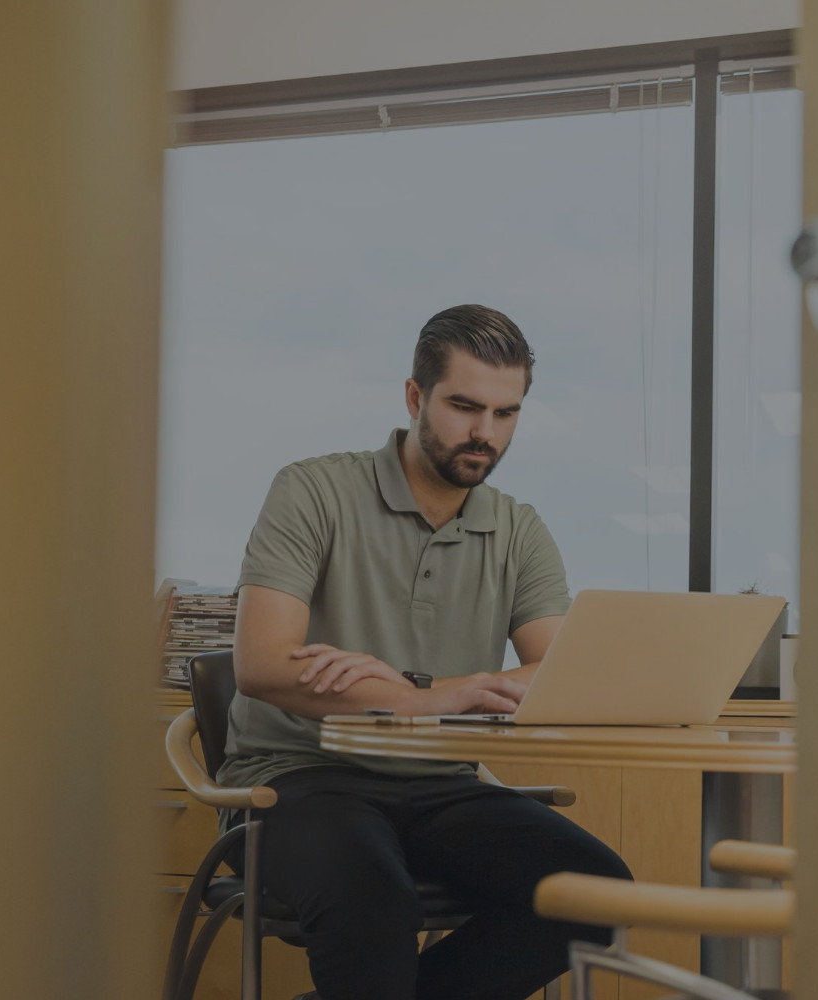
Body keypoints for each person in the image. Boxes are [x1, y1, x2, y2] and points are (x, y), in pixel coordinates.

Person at [223, 304, 632, 1000]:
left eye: (507, 413)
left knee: (594, 893)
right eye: (465, 407)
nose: (485, 433)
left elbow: (555, 675)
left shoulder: (518, 528)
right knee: (374, 901)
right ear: (416, 397)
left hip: (443, 783)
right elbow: (263, 663)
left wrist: (427, 689)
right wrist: (424, 699)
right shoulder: (314, 491)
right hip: (297, 776)